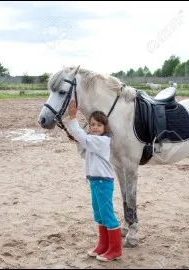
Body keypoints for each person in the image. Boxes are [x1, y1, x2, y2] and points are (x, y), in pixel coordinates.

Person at [66, 100, 122, 262]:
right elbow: (85, 151)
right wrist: (78, 139)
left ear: (105, 128)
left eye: (99, 125)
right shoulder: (92, 141)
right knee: (99, 215)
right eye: (92, 125)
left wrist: (72, 119)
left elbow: (86, 140)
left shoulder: (102, 141)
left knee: (107, 214)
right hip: (94, 181)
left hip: (104, 183)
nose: (95, 127)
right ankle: (103, 245)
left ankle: (115, 250)